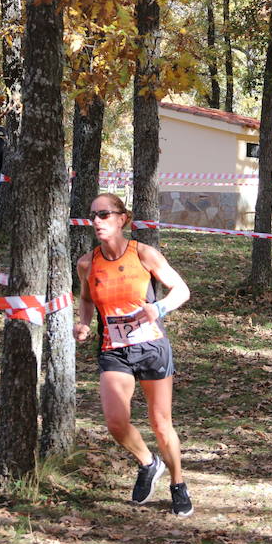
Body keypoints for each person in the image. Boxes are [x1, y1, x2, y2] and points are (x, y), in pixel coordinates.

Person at [73, 193, 194, 517]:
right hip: (114, 350)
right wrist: (84, 324)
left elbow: (182, 290)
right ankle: (148, 462)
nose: (97, 222)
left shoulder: (143, 254)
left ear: (122, 219)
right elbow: (86, 299)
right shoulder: (87, 263)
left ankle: (178, 483)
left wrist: (158, 308)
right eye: (93, 216)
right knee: (115, 422)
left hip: (152, 347)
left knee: (160, 423)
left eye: (104, 215)